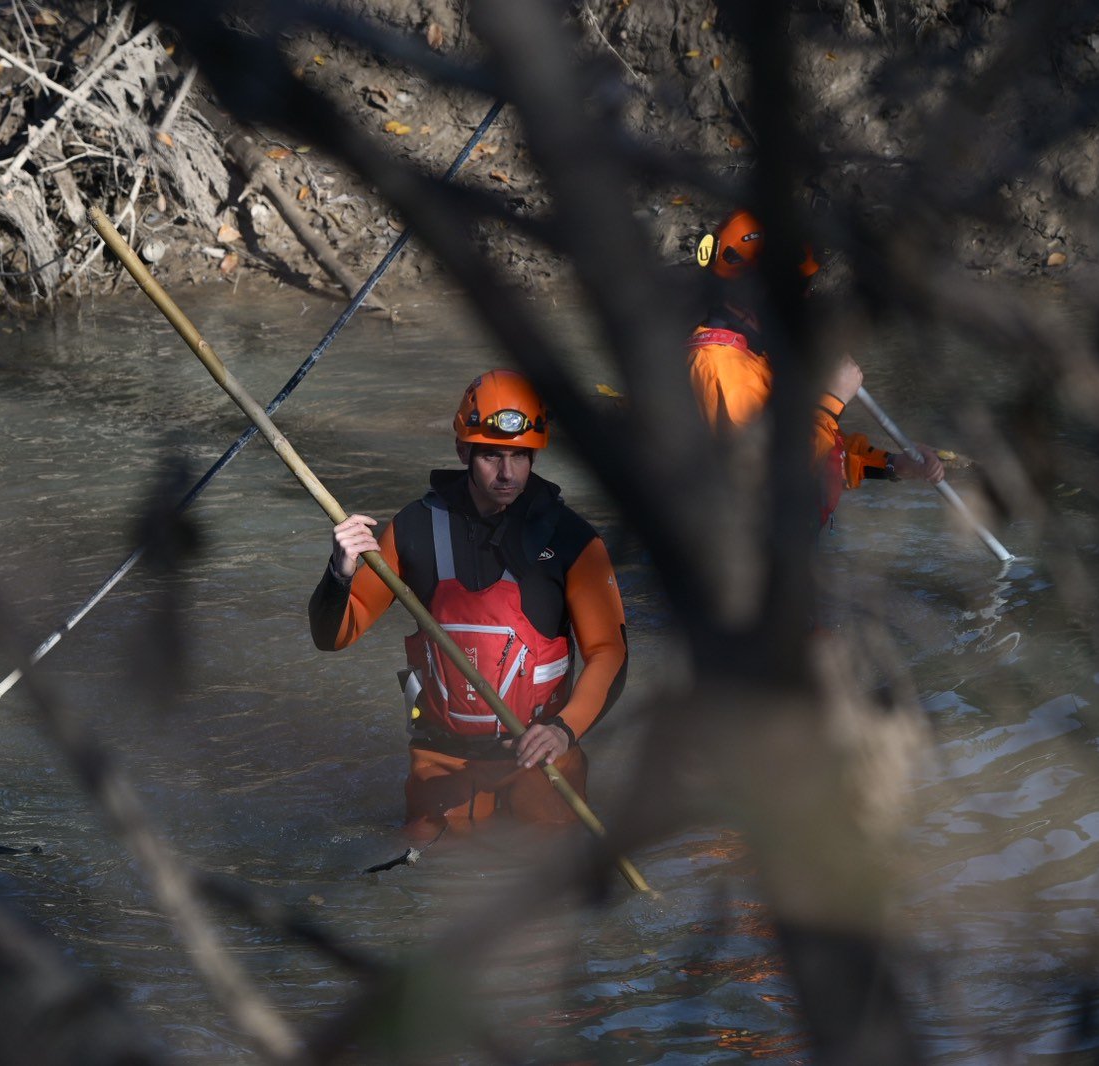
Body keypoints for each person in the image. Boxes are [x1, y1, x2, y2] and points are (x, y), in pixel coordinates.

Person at [308, 369, 629, 841]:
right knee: (427, 880)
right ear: (463, 451)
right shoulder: (414, 528)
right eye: (492, 456)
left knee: (548, 881)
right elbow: (334, 637)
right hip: (442, 759)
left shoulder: (572, 540)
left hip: (541, 759)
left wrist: (563, 730)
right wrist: (339, 572)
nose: (507, 473)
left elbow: (610, 652)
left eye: (520, 457)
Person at [688, 209, 945, 526]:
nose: (807, 296)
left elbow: (820, 453)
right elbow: (770, 469)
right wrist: (831, 400)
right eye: (799, 286)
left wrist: (893, 465)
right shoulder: (719, 363)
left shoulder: (758, 353)